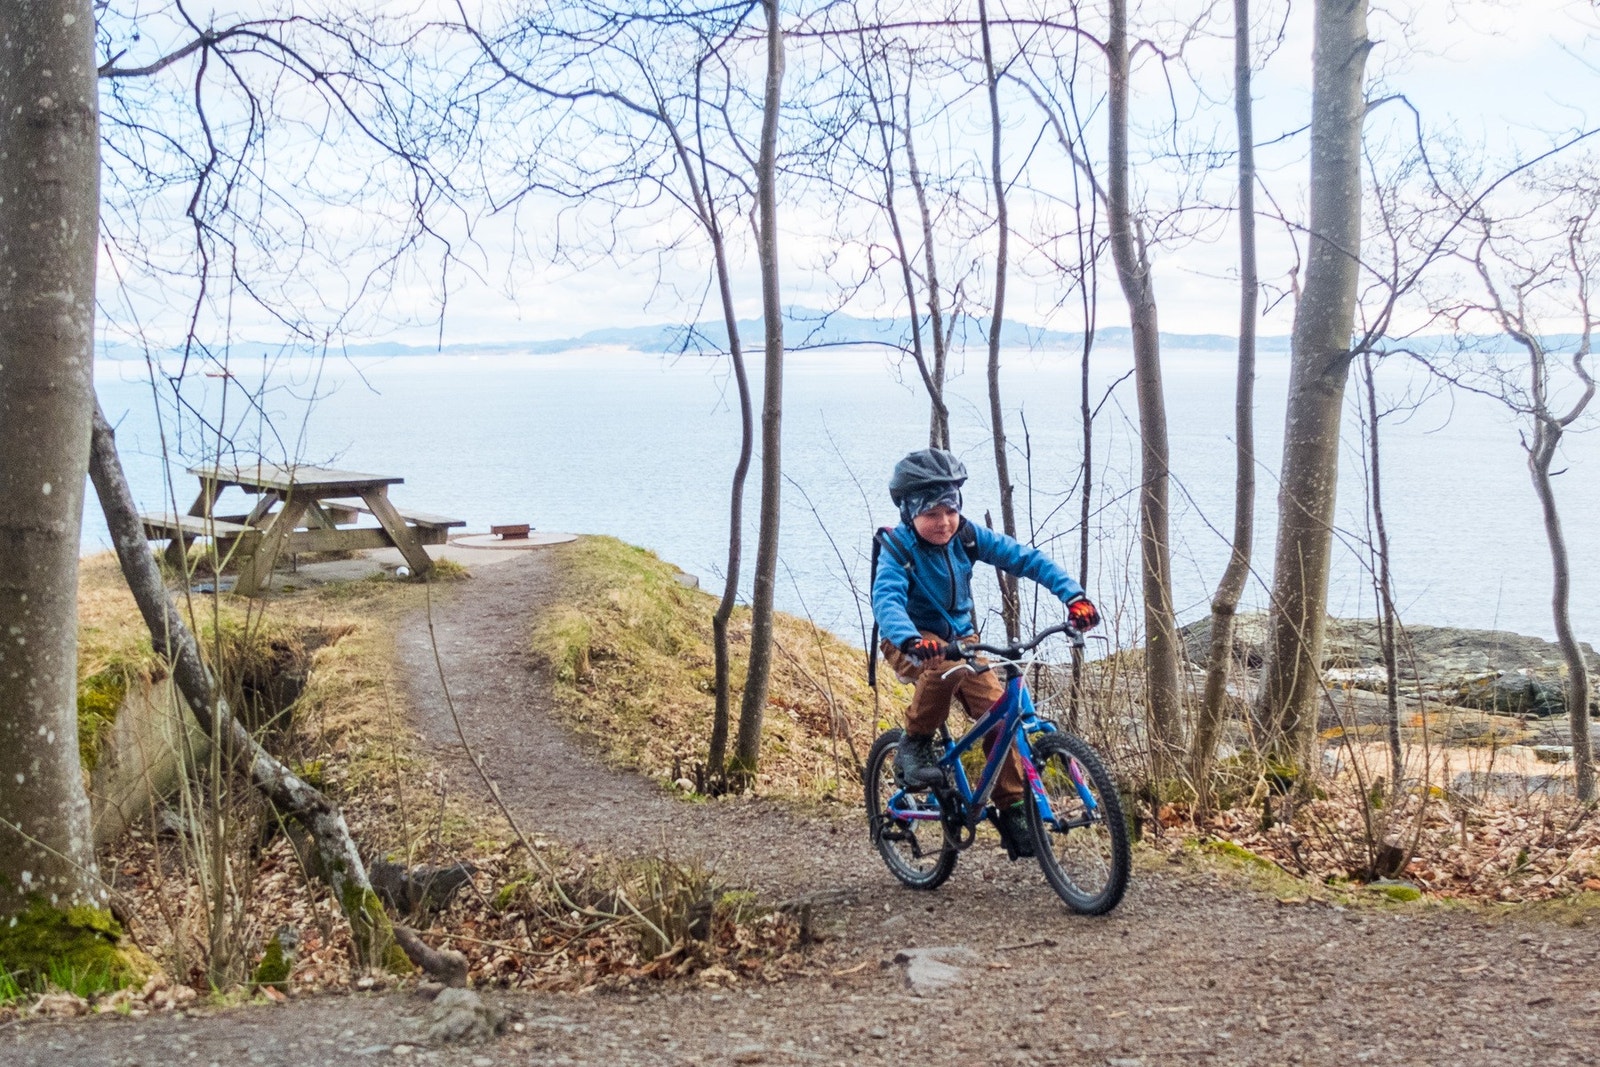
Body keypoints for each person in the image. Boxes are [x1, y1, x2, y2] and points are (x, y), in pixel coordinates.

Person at [870, 448, 1100, 858]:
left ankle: (1012, 808)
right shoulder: (898, 549)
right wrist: (909, 638)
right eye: (931, 514)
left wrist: (1074, 597)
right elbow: (886, 600)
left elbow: (1025, 559)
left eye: (950, 511)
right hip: (908, 639)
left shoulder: (968, 536)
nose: (943, 522)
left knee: (1000, 713)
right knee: (949, 669)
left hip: (961, 637)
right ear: (908, 512)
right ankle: (915, 743)